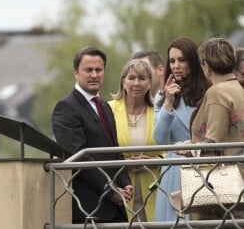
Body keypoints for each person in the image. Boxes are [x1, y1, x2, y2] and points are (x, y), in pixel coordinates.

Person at [51, 46, 133, 224]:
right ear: (76, 73)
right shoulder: (65, 108)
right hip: (89, 208)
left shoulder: (104, 106)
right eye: (88, 70)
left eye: (99, 70)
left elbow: (115, 150)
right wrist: (110, 191)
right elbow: (79, 157)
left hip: (117, 208)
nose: (94, 75)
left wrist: (125, 182)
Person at [186, 37, 244, 219]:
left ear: (206, 66)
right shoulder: (237, 88)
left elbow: (213, 143)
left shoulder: (217, 92)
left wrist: (189, 149)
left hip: (222, 186)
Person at [153, 37, 209, 222]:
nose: (176, 65)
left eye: (182, 60)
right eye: (172, 61)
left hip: (202, 166)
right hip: (173, 169)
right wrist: (168, 103)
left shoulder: (209, 92)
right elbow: (160, 139)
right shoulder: (162, 96)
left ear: (194, 61)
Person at [108, 59, 164, 222]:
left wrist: (156, 161)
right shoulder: (108, 109)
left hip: (156, 187)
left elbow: (174, 147)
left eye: (142, 78)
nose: (136, 83)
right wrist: (123, 163)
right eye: (131, 78)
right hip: (120, 190)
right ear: (123, 82)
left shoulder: (160, 110)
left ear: (149, 83)